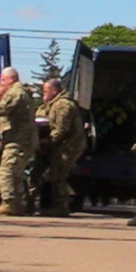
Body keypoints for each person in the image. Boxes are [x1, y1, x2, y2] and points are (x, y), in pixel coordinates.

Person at [0, 67, 39, 216]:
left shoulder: (15, 92)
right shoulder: (24, 92)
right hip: (23, 139)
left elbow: (3, 107)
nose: (1, 83)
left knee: (6, 171)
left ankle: (8, 202)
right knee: (16, 173)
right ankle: (16, 204)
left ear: (11, 79)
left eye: (3, 79)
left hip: (18, 139)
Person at [37, 77, 86, 216]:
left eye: (45, 91)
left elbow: (61, 129)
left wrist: (47, 142)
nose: (43, 94)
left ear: (54, 91)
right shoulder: (51, 104)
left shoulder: (63, 105)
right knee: (53, 172)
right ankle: (54, 204)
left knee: (58, 172)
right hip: (61, 144)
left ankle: (61, 206)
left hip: (70, 145)